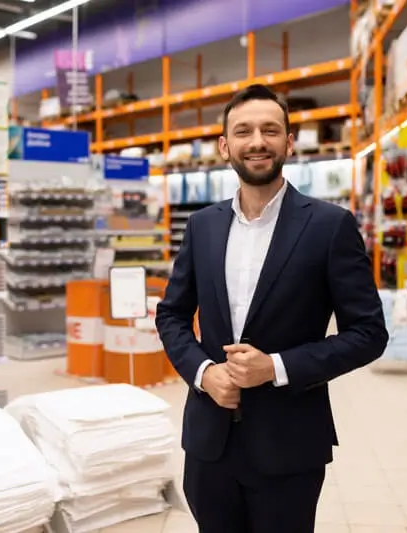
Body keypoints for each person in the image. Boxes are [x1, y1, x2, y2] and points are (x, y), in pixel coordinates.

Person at [154, 84, 388, 533]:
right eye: (243, 131)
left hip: (289, 442)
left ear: (288, 141)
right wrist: (204, 373)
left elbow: (369, 333)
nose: (257, 141)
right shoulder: (202, 226)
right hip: (210, 440)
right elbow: (171, 314)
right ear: (225, 146)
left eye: (270, 130)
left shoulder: (329, 226)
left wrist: (276, 367)